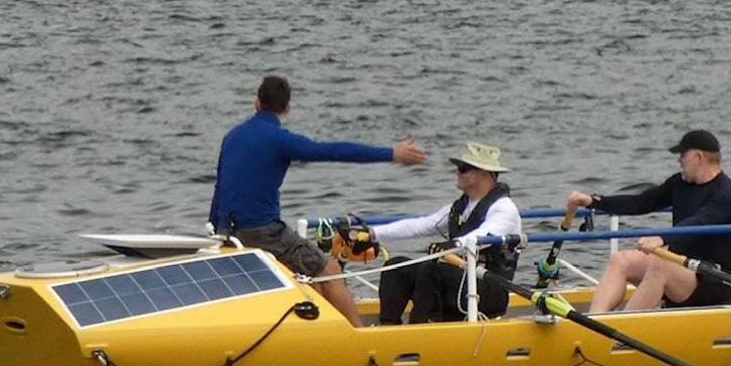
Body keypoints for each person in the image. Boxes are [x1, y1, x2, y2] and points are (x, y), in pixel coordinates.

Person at [208, 75, 427, 328]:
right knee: (330, 270)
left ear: (256, 102)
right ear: (287, 109)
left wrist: (215, 232)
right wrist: (392, 153)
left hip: (227, 232)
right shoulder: (280, 140)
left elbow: (219, 188)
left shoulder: (231, 137)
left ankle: (325, 330)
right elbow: (333, 151)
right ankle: (362, 338)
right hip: (263, 233)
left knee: (313, 276)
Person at [565, 130, 731, 313]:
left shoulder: (727, 194)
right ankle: (595, 321)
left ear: (698, 157)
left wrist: (661, 238)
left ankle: (621, 329)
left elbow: (700, 222)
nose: (679, 161)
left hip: (716, 280)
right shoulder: (679, 184)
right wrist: (594, 201)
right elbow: (639, 202)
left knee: (661, 264)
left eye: (682, 155)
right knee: (621, 260)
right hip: (683, 270)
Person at [371, 142, 523, 324]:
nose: (457, 172)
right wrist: (372, 233)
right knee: (396, 266)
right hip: (461, 280)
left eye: (463, 168)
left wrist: (455, 244)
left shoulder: (504, 209)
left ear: (484, 174)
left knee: (431, 268)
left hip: (490, 289)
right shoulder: (460, 208)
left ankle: (421, 327)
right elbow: (421, 226)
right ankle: (388, 326)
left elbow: (485, 235)